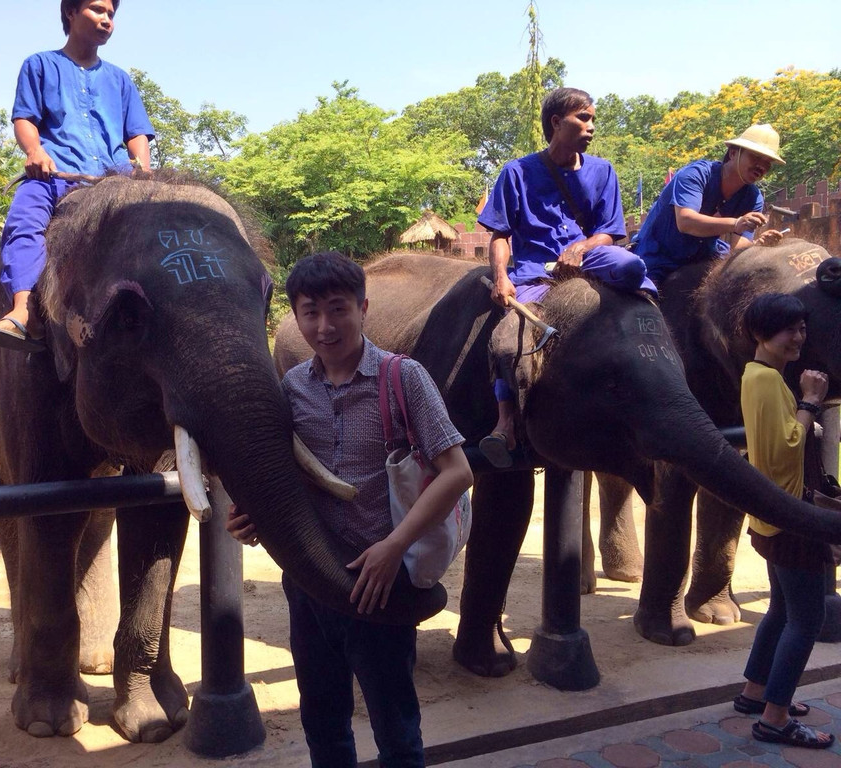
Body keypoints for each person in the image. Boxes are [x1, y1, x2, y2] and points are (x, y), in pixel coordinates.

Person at [227, 251, 473, 767]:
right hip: (311, 579)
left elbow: (457, 472)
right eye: (310, 312)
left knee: (395, 726)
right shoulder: (292, 388)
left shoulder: (402, 379)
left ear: (363, 307)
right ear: (294, 316)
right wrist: (253, 519)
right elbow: (285, 479)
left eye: (338, 309)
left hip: (379, 582)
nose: (324, 326)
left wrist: (393, 546)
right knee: (322, 721)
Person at [476, 86, 655, 467]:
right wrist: (501, 277)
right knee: (510, 342)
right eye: (584, 118)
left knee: (632, 267)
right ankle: (505, 420)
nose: (591, 127)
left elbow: (609, 231)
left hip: (587, 258)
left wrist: (582, 248)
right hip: (533, 272)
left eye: (593, 119)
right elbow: (501, 234)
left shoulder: (602, 171)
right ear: (557, 122)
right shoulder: (516, 173)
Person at [0, 0, 153, 351]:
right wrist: (34, 151)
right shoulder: (39, 65)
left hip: (114, 181)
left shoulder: (120, 80)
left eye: (111, 14)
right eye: (98, 10)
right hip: (54, 174)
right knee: (24, 222)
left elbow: (137, 134)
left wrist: (144, 170)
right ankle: (22, 312)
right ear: (71, 12)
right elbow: (24, 119)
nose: (107, 19)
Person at [734, 292, 834, 749]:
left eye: (802, 328)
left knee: (780, 609)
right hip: (793, 517)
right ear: (760, 334)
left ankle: (756, 692)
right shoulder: (769, 382)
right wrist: (811, 402)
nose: (798, 337)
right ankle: (775, 718)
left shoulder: (759, 376)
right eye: (788, 329)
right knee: (807, 617)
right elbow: (783, 449)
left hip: (771, 515)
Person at [634, 124, 786, 287]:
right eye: (756, 157)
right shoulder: (695, 175)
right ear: (734, 153)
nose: (762, 167)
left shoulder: (753, 197)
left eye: (768, 162)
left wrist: (757, 245)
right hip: (657, 258)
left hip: (703, 260)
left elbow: (737, 246)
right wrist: (735, 223)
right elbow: (686, 222)